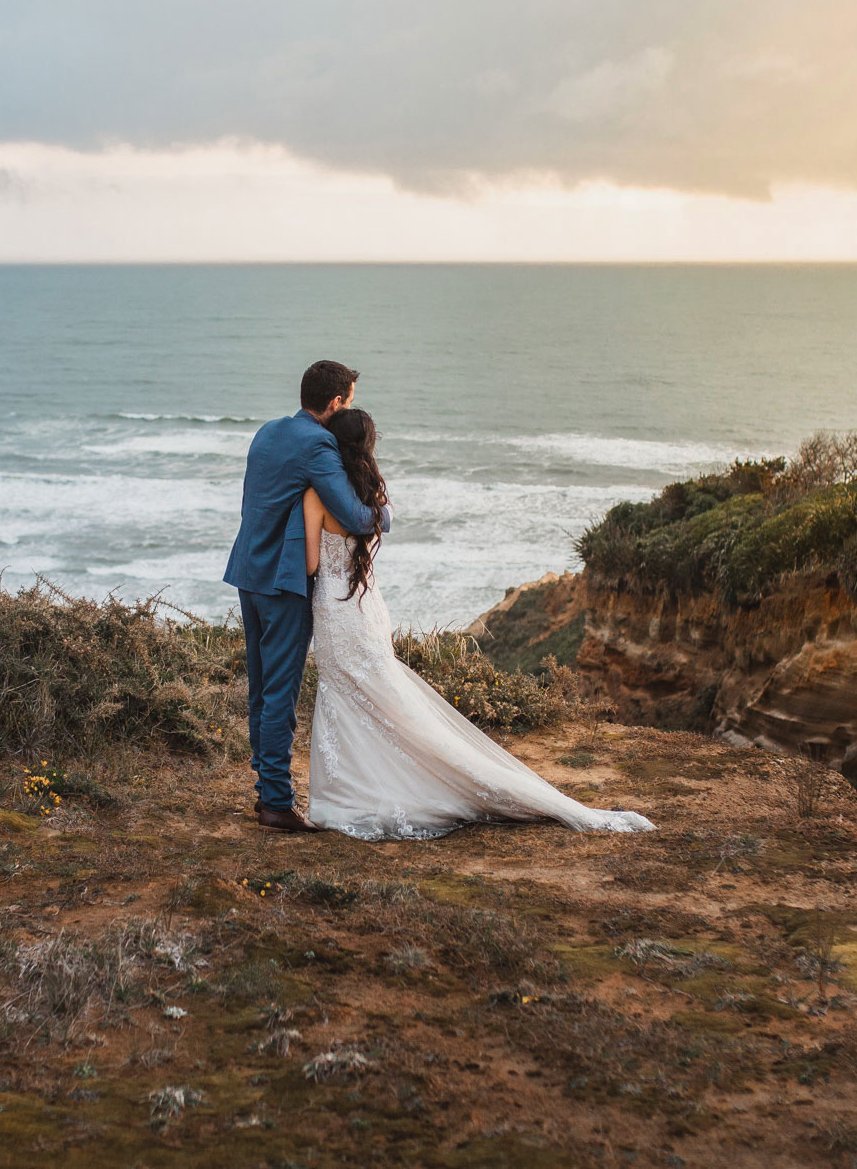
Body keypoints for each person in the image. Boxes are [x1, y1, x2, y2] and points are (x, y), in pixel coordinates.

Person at [302, 407, 654, 840]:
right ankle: (373, 789)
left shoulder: (317, 496)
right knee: (386, 700)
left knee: (344, 695)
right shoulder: (372, 494)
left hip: (334, 610)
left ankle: (350, 795)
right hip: (366, 607)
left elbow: (311, 562)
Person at [223, 360, 389, 832]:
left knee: (261, 687)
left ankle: (266, 794)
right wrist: (384, 510)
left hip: (248, 572)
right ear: (335, 404)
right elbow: (357, 518)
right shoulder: (317, 444)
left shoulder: (267, 431)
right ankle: (276, 803)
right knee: (280, 693)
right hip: (282, 582)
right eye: (348, 403)